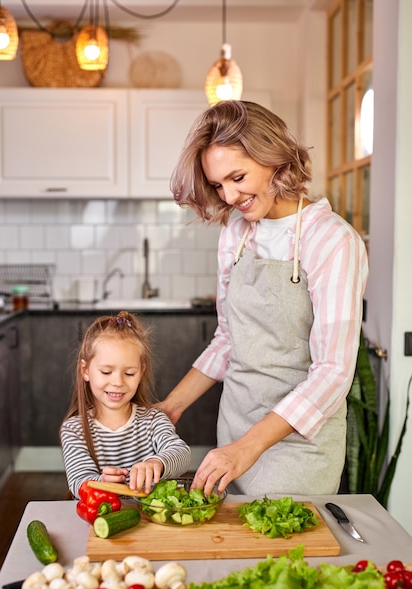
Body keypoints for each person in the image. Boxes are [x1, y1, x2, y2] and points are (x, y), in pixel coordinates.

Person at [157, 100, 369, 498]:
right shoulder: (235, 234)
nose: (230, 195)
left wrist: (247, 448)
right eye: (219, 185)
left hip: (298, 447)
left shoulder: (333, 241)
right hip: (233, 430)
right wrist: (170, 406)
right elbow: (228, 339)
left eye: (238, 177)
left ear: (275, 159)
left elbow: (332, 374)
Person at [60, 311, 191, 499]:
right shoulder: (74, 430)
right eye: (106, 372)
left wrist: (157, 462)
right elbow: (78, 482)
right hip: (100, 517)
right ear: (85, 370)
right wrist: (101, 483)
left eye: (129, 373)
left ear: (141, 372)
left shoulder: (153, 420)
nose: (117, 382)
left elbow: (181, 453)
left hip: (147, 520)